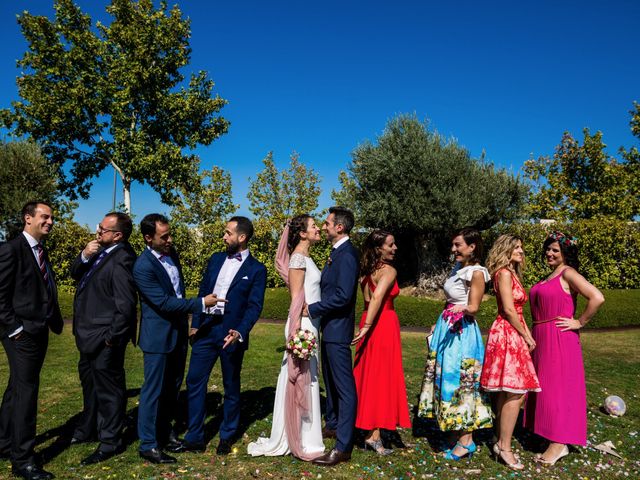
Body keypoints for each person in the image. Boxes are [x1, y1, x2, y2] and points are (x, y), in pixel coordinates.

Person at [133, 214, 220, 464]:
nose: (170, 239)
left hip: (178, 334)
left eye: (170, 234)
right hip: (157, 337)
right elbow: (162, 302)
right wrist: (201, 304)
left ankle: (164, 433)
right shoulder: (142, 266)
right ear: (149, 238)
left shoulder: (172, 255)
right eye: (164, 236)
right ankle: (148, 444)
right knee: (153, 391)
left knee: (172, 389)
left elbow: (177, 291)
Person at [181, 217, 267, 455]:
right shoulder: (216, 259)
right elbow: (203, 292)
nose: (224, 237)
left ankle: (226, 436)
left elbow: (254, 306)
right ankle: (195, 437)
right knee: (195, 382)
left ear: (242, 237)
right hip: (206, 330)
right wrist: (195, 324)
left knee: (231, 385)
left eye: (228, 233)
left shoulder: (257, 269)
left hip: (231, 334)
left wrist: (239, 331)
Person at [247, 214, 325, 460]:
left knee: (308, 378)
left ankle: (306, 434)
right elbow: (296, 298)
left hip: (310, 323)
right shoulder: (298, 258)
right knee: (299, 378)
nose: (318, 228)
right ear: (302, 233)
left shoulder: (307, 256)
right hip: (301, 326)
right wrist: (296, 334)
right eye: (314, 226)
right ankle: (297, 438)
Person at [524, 231, 604, 465]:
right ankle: (548, 432)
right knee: (544, 387)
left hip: (560, 338)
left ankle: (559, 444)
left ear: (565, 253)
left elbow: (597, 297)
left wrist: (579, 322)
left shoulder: (569, 273)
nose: (549, 253)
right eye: (548, 249)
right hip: (541, 336)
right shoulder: (550, 276)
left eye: (555, 250)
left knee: (558, 388)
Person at [0, 201, 63, 480]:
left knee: (16, 388)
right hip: (21, 334)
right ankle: (23, 461)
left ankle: (3, 443)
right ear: (28, 218)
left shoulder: (40, 250)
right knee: (27, 393)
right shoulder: (10, 249)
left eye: (51, 218)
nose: (50, 222)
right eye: (45, 217)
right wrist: (15, 329)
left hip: (39, 330)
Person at [417, 227, 492, 461]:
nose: (453, 249)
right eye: (453, 245)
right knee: (446, 379)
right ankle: (454, 429)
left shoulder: (477, 272)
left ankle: (467, 440)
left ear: (472, 247)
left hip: (462, 333)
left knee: (462, 382)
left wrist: (461, 309)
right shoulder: (458, 268)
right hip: (446, 328)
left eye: (458, 245)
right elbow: (451, 299)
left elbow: (474, 306)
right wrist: (437, 322)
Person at [70, 212, 138, 466]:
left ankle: (110, 441)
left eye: (103, 230)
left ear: (118, 235)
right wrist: (85, 254)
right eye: (99, 228)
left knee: (109, 391)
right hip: (86, 335)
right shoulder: (100, 252)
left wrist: (111, 339)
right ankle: (88, 429)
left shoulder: (122, 259)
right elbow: (75, 274)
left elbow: (125, 306)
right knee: (90, 386)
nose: (98, 232)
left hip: (103, 338)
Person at [480, 234, 540, 470]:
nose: (521, 251)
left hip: (512, 331)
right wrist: (525, 335)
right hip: (507, 333)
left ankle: (499, 440)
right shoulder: (504, 273)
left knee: (510, 391)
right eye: (516, 248)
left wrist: (526, 334)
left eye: (521, 248)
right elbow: (507, 308)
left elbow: (516, 310)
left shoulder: (511, 273)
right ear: (505, 250)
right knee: (516, 391)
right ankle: (505, 447)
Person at [307, 206, 360, 467]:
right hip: (329, 330)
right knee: (331, 381)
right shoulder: (336, 253)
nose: (324, 225)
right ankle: (335, 425)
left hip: (338, 331)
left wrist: (313, 309)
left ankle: (344, 446)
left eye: (327, 222)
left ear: (339, 227)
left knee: (344, 388)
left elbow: (343, 296)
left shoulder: (347, 255)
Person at [351, 230, 411, 456]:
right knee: (381, 377)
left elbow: (368, 298)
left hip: (370, 319)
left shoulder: (367, 270)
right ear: (378, 249)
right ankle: (373, 437)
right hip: (381, 323)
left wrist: (365, 323)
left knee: (368, 375)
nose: (395, 248)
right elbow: (377, 298)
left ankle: (367, 428)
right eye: (391, 245)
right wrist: (367, 327)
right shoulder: (389, 270)